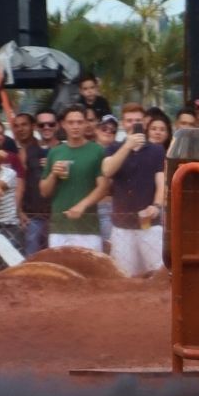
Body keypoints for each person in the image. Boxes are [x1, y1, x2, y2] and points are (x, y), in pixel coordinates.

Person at [99, 114, 167, 275]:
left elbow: (161, 182)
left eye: (137, 120)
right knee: (125, 276)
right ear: (123, 123)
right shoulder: (113, 148)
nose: (133, 124)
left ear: (143, 123)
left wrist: (157, 206)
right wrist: (127, 146)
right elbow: (107, 170)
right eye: (129, 121)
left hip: (150, 224)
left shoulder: (156, 150)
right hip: (121, 227)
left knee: (158, 274)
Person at [39, 105, 108, 252]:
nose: (75, 126)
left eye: (79, 122)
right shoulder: (55, 152)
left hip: (88, 229)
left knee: (91, 273)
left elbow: (103, 187)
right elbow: (44, 192)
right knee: (60, 273)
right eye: (71, 122)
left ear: (86, 124)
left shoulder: (97, 150)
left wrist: (82, 205)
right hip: (59, 228)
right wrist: (53, 174)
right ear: (63, 124)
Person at [18, 109, 57, 255]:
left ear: (57, 125)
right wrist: (19, 210)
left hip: (58, 215)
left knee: (57, 257)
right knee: (32, 258)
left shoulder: (65, 149)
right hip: (33, 214)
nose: (46, 127)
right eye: (42, 125)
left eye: (50, 124)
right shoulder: (26, 151)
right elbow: (20, 182)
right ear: (36, 127)